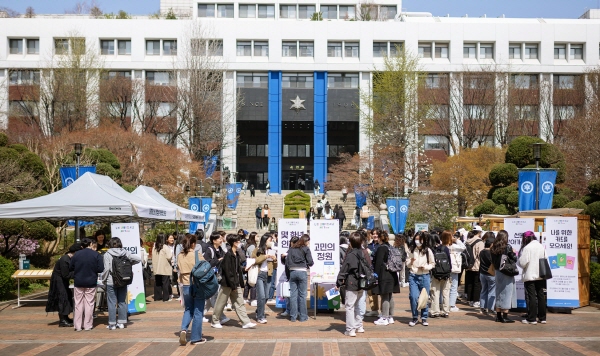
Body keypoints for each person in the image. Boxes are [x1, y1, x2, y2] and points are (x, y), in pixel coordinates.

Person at [211, 234, 256, 329]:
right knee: (221, 303)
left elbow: (236, 269)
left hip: (235, 282)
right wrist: (233, 286)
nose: (240, 243)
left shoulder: (236, 254)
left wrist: (244, 269)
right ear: (233, 243)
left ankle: (245, 322)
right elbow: (228, 272)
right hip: (228, 284)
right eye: (238, 241)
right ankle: (215, 321)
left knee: (239, 303)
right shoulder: (228, 255)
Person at [101, 237, 141, 330]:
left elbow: (106, 269)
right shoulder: (125, 252)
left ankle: (112, 324)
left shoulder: (107, 254)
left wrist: (103, 279)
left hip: (111, 281)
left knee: (111, 303)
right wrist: (128, 265)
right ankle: (122, 322)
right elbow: (138, 259)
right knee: (122, 301)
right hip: (123, 280)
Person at [336, 232, 366, 337]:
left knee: (349, 306)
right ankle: (359, 326)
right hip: (362, 283)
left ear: (351, 242)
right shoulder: (363, 253)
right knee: (357, 305)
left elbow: (344, 270)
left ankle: (350, 329)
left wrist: (338, 282)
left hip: (352, 282)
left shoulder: (350, 255)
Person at [178, 235, 207, 345]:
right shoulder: (196, 255)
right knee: (198, 311)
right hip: (197, 285)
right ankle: (196, 338)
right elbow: (206, 268)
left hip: (185, 285)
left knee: (188, 309)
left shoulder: (180, 255)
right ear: (193, 244)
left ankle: (184, 330)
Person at [70, 238, 104, 331]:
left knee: (78, 303)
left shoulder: (76, 254)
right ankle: (87, 325)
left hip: (78, 281)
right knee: (89, 303)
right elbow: (101, 269)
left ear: (82, 246)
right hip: (91, 282)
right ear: (90, 244)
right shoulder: (96, 254)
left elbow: (71, 267)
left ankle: (77, 326)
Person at [47, 243, 81, 327]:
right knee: (62, 298)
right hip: (58, 281)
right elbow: (66, 275)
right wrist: (78, 272)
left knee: (67, 297)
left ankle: (66, 317)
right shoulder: (64, 260)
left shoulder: (69, 259)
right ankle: (62, 320)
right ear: (75, 252)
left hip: (63, 281)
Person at [518, 231, 547, 325]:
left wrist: (518, 261)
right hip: (541, 275)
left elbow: (522, 263)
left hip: (530, 275)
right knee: (540, 295)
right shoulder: (541, 246)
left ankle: (532, 318)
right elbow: (545, 258)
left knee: (531, 296)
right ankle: (542, 318)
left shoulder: (527, 248)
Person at [407, 231, 435, 326]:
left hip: (425, 276)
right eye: (416, 239)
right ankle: (415, 317)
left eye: (419, 239)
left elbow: (432, 264)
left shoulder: (428, 251)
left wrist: (426, 267)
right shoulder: (411, 250)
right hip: (413, 275)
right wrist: (410, 262)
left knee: (424, 297)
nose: (417, 241)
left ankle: (424, 317)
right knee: (413, 296)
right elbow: (407, 264)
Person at [372, 231, 400, 326]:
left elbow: (378, 262)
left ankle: (384, 317)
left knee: (384, 295)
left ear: (380, 238)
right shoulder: (390, 247)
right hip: (392, 273)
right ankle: (390, 316)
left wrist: (375, 274)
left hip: (384, 274)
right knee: (390, 295)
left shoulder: (381, 248)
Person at [490, 230, 517, 323]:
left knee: (499, 292)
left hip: (498, 272)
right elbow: (514, 258)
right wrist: (513, 252)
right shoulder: (508, 247)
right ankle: (505, 316)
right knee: (507, 293)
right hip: (506, 272)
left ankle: (498, 316)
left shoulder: (493, 247)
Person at [286, 234, 314, 322]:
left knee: (293, 295)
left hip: (292, 272)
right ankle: (303, 317)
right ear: (305, 241)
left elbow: (287, 262)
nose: (308, 243)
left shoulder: (291, 249)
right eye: (308, 241)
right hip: (302, 271)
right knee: (302, 295)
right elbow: (311, 262)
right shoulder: (306, 249)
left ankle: (293, 316)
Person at [250, 234, 277, 324]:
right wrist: (265, 256)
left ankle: (259, 310)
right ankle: (260, 316)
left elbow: (275, 266)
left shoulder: (272, 251)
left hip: (268, 275)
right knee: (261, 296)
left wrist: (274, 259)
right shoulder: (257, 250)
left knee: (265, 296)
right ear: (265, 241)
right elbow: (254, 261)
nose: (271, 242)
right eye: (270, 240)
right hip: (259, 274)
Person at [430, 232, 452, 318]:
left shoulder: (432, 249)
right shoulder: (445, 248)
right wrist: (449, 271)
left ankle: (435, 311)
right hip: (446, 273)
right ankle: (445, 311)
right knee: (445, 292)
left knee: (435, 292)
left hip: (436, 273)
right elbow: (449, 262)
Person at [465, 229, 485, 308]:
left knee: (470, 283)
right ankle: (476, 300)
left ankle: (470, 300)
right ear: (479, 232)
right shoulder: (480, 242)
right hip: (476, 265)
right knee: (477, 283)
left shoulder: (468, 241)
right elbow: (480, 254)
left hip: (468, 265)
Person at [479, 232, 496, 315]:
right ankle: (490, 308)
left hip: (482, 273)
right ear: (491, 244)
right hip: (491, 274)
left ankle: (482, 307)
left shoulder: (482, 252)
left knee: (483, 290)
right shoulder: (492, 253)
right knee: (491, 291)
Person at [152, 234, 173, 302]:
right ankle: (165, 297)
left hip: (156, 268)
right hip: (164, 268)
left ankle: (158, 297)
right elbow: (169, 257)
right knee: (165, 283)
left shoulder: (154, 246)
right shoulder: (165, 247)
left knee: (157, 283)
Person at [449, 231, 466, 312]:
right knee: (453, 287)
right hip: (454, 268)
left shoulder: (444, 246)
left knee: (445, 287)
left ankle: (444, 304)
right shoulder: (455, 246)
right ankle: (451, 305)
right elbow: (463, 247)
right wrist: (457, 240)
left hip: (445, 269)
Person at [244, 232, 258, 306]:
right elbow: (253, 256)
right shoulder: (252, 246)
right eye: (257, 236)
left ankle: (245, 297)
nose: (258, 237)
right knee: (253, 282)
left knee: (248, 282)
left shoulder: (249, 245)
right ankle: (252, 299)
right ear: (253, 237)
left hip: (249, 265)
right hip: (252, 265)